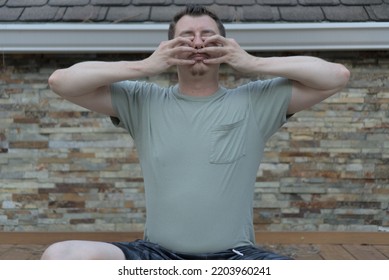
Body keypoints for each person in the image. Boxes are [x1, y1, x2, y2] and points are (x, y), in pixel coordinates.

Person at [41, 5, 350, 260]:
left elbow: (336, 76)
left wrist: (251, 62)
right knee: (61, 255)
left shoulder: (256, 101)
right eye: (187, 36)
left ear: (226, 46)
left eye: (208, 36)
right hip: (156, 257)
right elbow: (61, 82)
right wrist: (146, 66)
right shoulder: (142, 101)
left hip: (235, 258)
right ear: (168, 48)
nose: (198, 43)